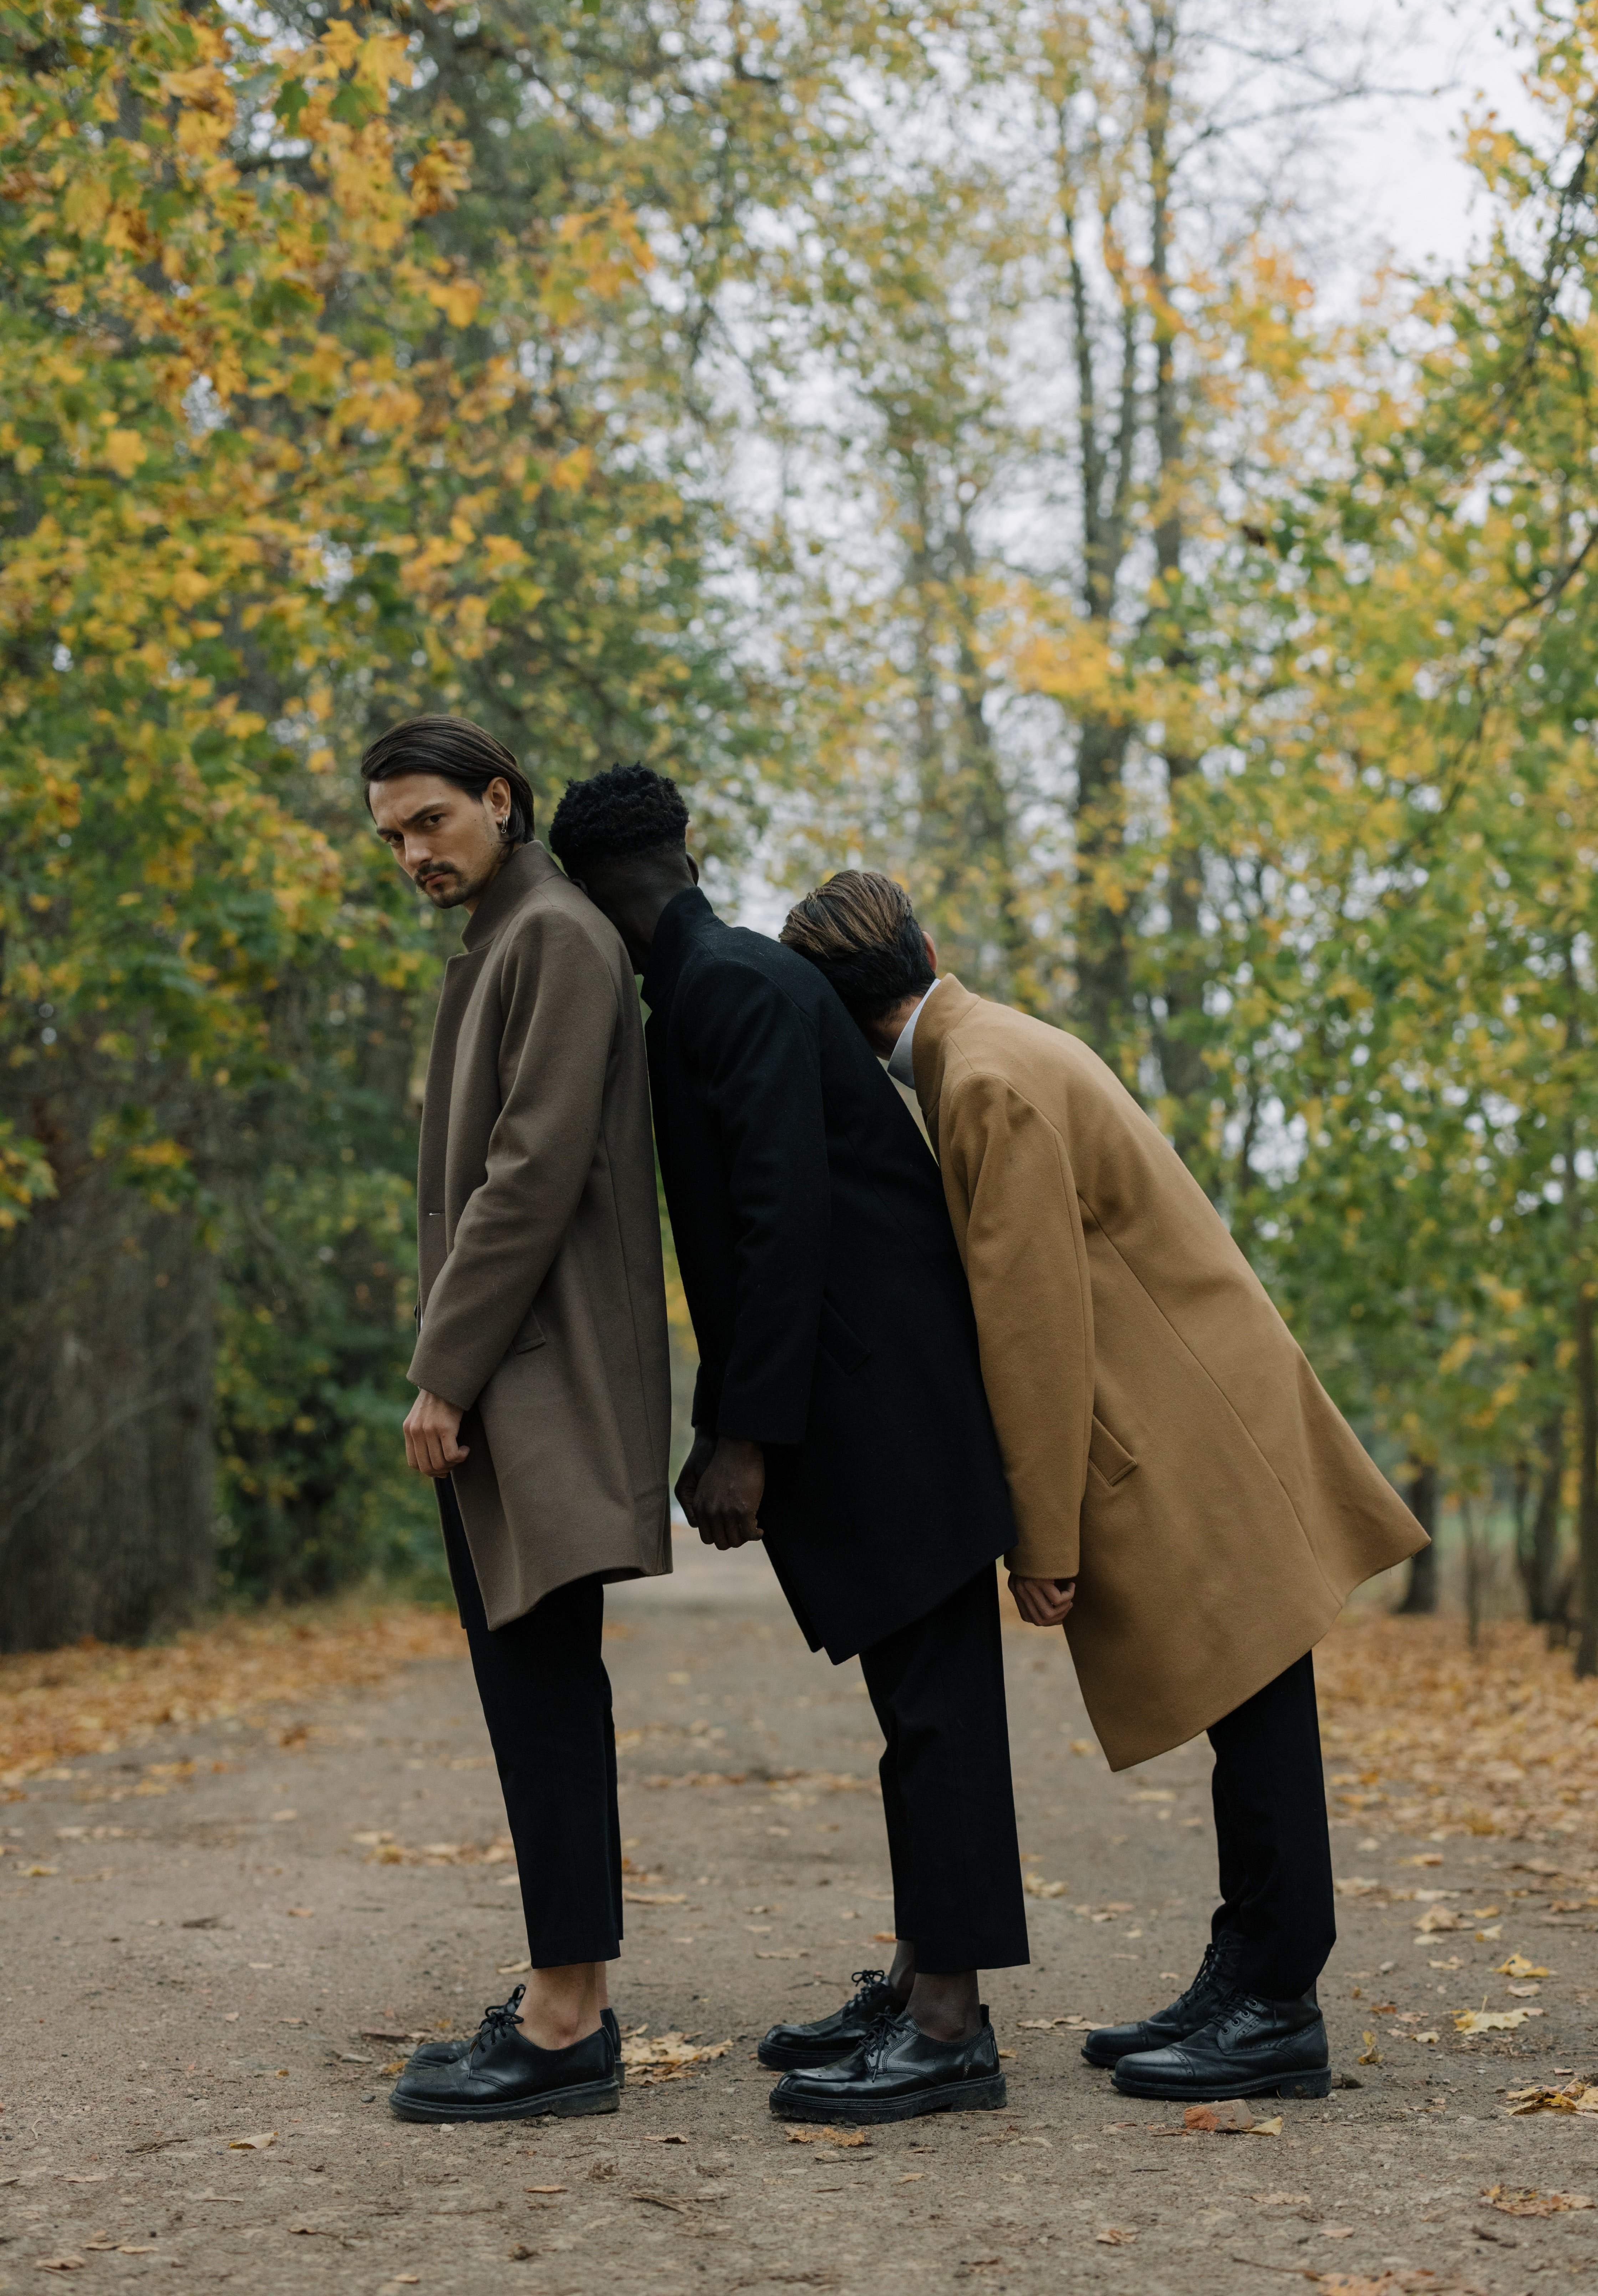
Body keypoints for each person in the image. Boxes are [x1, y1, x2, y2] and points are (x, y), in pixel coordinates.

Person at [778, 869, 1429, 2108]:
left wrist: (1043, 1535)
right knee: (1255, 1699)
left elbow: (1032, 1325)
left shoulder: (979, 1080)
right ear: (926, 944)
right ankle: (1246, 1977)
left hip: (1188, 1420)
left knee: (1260, 1696)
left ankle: (1277, 2003)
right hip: (1197, 1401)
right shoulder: (990, 1044)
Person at [548, 763, 1028, 2127]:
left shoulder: (732, 987)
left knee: (937, 1713)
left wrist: (740, 1434)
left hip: (891, 1401)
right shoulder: (718, 983)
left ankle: (951, 2030)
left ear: (594, 887)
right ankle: (922, 1979)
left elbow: (783, 1217)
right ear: (683, 850)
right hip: (874, 1394)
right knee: (916, 1708)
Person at [359, 716, 673, 2124]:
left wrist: (445, 1367)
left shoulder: (549, 935)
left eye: (431, 821)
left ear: (502, 798)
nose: (414, 853)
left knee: (542, 1689)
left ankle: (562, 2027)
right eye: (393, 838)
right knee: (537, 1688)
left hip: (531, 1381)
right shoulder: (511, 936)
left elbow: (530, 1169)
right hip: (516, 1375)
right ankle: (571, 2000)